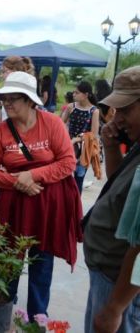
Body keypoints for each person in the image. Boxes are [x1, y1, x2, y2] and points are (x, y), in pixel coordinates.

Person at [0, 71, 82, 320]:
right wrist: (18, 181)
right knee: (8, 260)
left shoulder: (52, 124)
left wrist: (33, 175)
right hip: (13, 204)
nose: (8, 103)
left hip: (47, 205)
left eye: (15, 98)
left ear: (30, 101)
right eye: (5, 98)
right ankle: (2, 313)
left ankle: (38, 317)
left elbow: (68, 162)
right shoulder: (1, 132)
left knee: (42, 261)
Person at [82, 66, 140, 333]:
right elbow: (121, 187)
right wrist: (111, 145)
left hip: (121, 284)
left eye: (126, 110)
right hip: (109, 275)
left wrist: (115, 307)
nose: (118, 118)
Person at [61, 81, 100, 193]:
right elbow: (60, 124)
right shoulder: (70, 107)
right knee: (64, 178)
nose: (73, 94)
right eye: (74, 92)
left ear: (86, 95)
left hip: (84, 150)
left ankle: (75, 207)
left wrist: (76, 139)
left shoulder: (94, 111)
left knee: (79, 179)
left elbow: (93, 134)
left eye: (77, 93)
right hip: (68, 147)